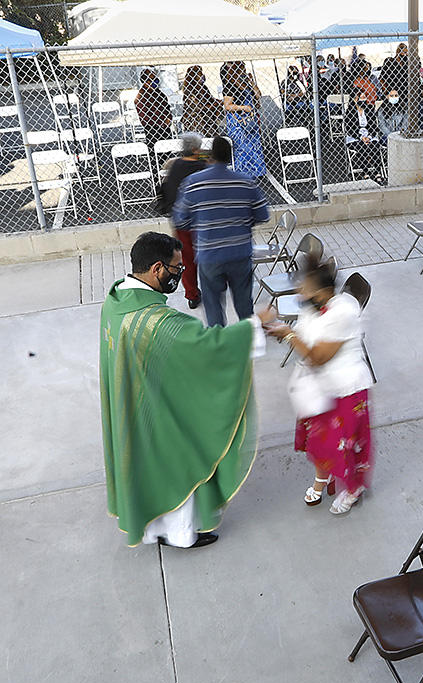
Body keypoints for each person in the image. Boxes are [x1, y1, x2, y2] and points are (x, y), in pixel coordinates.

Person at [100, 231, 268, 549]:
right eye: (177, 268)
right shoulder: (156, 321)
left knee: (147, 463)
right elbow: (208, 347)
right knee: (177, 456)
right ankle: (180, 534)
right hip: (156, 409)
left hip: (134, 405)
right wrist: (254, 326)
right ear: (157, 269)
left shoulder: (115, 301)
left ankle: (151, 528)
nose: (181, 273)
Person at [267, 258, 374, 512]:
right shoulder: (312, 308)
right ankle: (322, 478)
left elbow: (316, 357)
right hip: (318, 389)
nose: (300, 294)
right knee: (319, 441)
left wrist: (289, 334)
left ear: (322, 292)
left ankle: (352, 488)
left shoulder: (344, 313)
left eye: (305, 290)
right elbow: (305, 339)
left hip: (346, 390)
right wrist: (283, 331)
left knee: (345, 445)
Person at [173, 136, 270, 327]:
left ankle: (219, 346)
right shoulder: (246, 182)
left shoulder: (193, 183)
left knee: (213, 305)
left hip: (209, 256)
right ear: (229, 156)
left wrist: (202, 221)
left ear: (210, 156)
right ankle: (249, 342)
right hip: (240, 253)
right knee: (244, 305)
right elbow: (262, 215)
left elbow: (180, 219)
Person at [154, 132, 208, 310]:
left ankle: (192, 295)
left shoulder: (175, 165)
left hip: (180, 222)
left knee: (186, 259)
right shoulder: (203, 167)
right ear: (195, 149)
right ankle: (213, 287)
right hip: (202, 220)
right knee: (207, 255)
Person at [220, 61, 266, 178]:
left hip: (250, 119)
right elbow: (227, 105)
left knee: (254, 144)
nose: (243, 73)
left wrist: (251, 81)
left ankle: (256, 171)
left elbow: (258, 95)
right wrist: (242, 108)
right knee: (241, 147)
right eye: (241, 70)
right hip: (238, 121)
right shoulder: (229, 86)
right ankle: (243, 172)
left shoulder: (246, 84)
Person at [346, 94, 382, 181]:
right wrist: (361, 137)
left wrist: (369, 137)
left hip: (369, 134)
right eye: (361, 98)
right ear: (355, 99)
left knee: (375, 145)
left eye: (364, 97)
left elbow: (374, 126)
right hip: (355, 137)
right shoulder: (350, 112)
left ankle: (377, 171)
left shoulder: (369, 109)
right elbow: (349, 129)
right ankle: (365, 172)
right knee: (362, 146)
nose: (363, 99)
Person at [134, 68, 172, 147]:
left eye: (156, 79)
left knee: (168, 149)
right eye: (153, 79)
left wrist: (168, 118)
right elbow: (144, 118)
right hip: (153, 130)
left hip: (165, 126)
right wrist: (160, 122)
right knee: (157, 153)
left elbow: (166, 106)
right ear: (146, 82)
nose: (156, 81)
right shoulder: (141, 96)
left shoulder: (158, 93)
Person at [181, 66, 222, 137]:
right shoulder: (190, 90)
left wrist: (218, 101)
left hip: (208, 119)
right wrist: (215, 105)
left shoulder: (203, 88)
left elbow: (210, 99)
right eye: (200, 74)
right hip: (197, 121)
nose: (202, 76)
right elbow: (198, 107)